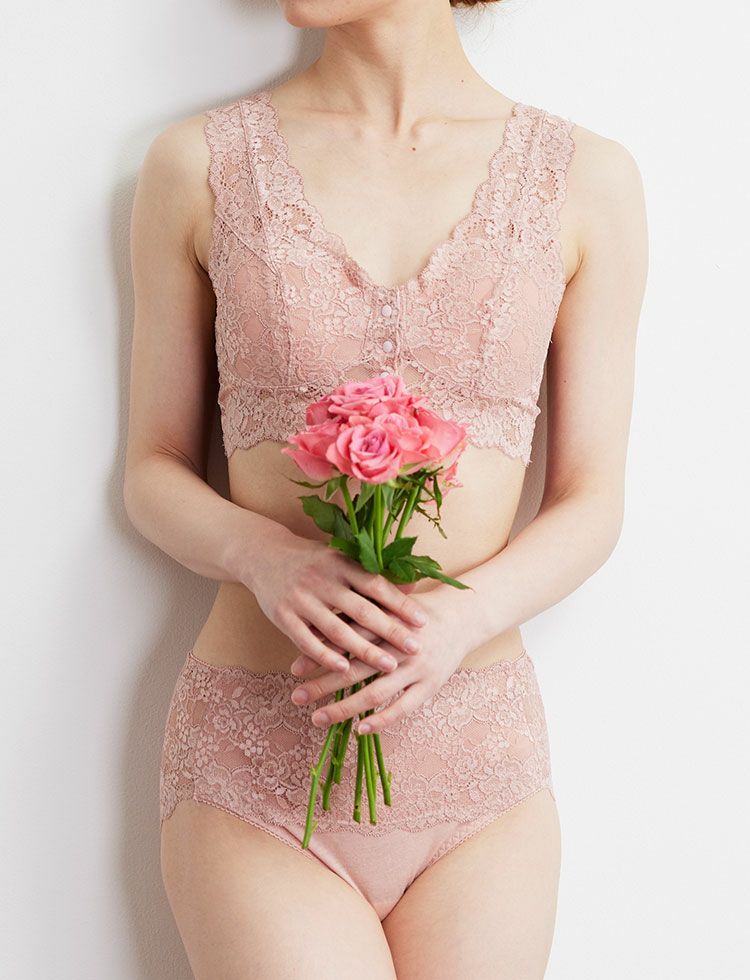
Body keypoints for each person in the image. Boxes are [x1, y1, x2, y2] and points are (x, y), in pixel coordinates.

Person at [124, 0, 648, 975]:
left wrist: (462, 616)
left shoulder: (587, 178)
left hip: (480, 777)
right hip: (255, 766)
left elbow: (592, 499)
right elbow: (151, 469)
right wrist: (265, 557)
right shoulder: (197, 164)